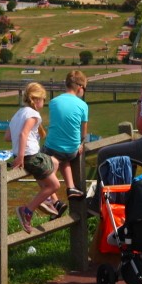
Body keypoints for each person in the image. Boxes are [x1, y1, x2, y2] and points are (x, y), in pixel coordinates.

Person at [5, 82, 64, 233]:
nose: (43, 103)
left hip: (28, 155)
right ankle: (28, 210)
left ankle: (48, 199)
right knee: (55, 185)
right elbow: (23, 134)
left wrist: (18, 150)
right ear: (36, 99)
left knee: (54, 162)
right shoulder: (34, 114)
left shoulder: (18, 113)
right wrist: (20, 157)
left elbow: (8, 136)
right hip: (30, 156)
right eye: (43, 99)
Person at [43, 71, 90, 200]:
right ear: (80, 88)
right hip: (72, 151)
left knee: (44, 156)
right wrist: (80, 144)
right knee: (64, 158)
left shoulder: (53, 102)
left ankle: (53, 199)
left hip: (52, 148)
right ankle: (71, 187)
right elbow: (83, 132)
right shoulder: (83, 106)